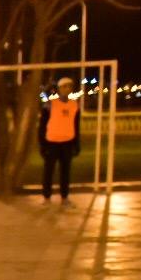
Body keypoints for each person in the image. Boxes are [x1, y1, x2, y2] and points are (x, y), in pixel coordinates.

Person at [38, 76, 82, 206]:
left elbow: (76, 125)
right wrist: (42, 144)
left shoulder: (75, 106)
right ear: (59, 89)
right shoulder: (50, 105)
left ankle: (65, 197)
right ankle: (46, 197)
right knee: (48, 171)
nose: (67, 89)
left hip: (67, 143)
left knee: (65, 171)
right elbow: (42, 125)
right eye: (64, 87)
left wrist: (76, 143)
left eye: (69, 87)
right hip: (51, 143)